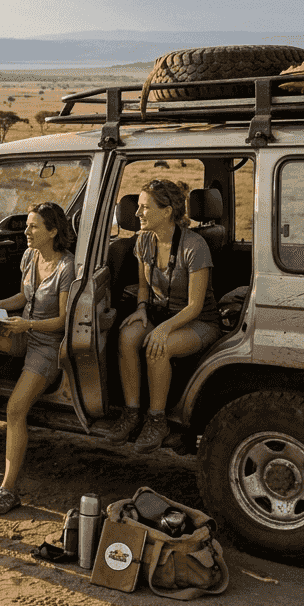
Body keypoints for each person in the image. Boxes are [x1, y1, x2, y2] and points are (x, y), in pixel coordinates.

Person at [0, 201, 76, 515]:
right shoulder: (29, 256)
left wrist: (28, 324)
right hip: (21, 329)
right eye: (27, 225)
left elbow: (64, 321)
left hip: (46, 346)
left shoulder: (66, 268)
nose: (27, 231)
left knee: (16, 410)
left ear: (52, 231)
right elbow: (24, 297)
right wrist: (0, 305)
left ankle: (7, 490)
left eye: (34, 226)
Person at [106, 179, 220, 453]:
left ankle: (157, 420)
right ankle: (132, 412)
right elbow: (143, 288)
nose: (137, 213)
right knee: (127, 336)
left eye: (145, 207)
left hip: (199, 321)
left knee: (158, 348)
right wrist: (142, 309)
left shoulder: (195, 246)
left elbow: (194, 306)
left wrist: (162, 330)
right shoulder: (144, 241)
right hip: (160, 314)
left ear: (167, 211)